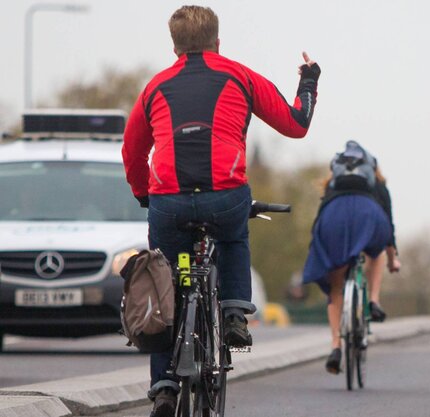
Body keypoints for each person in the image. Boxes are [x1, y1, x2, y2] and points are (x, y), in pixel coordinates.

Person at [121, 6, 320, 417]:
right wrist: (309, 80)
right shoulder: (240, 76)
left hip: (169, 202)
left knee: (167, 284)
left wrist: (146, 193)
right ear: (217, 42)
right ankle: (233, 313)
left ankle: (163, 388)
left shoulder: (155, 87)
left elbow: (132, 150)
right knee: (233, 237)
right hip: (225, 196)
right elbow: (296, 124)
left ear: (174, 46)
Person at [302, 140, 400, 375]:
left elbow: (321, 213)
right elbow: (388, 223)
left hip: (333, 217)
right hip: (369, 214)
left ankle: (336, 346)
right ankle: (374, 301)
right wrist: (392, 257)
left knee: (336, 285)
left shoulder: (333, 183)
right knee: (375, 252)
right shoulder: (377, 183)